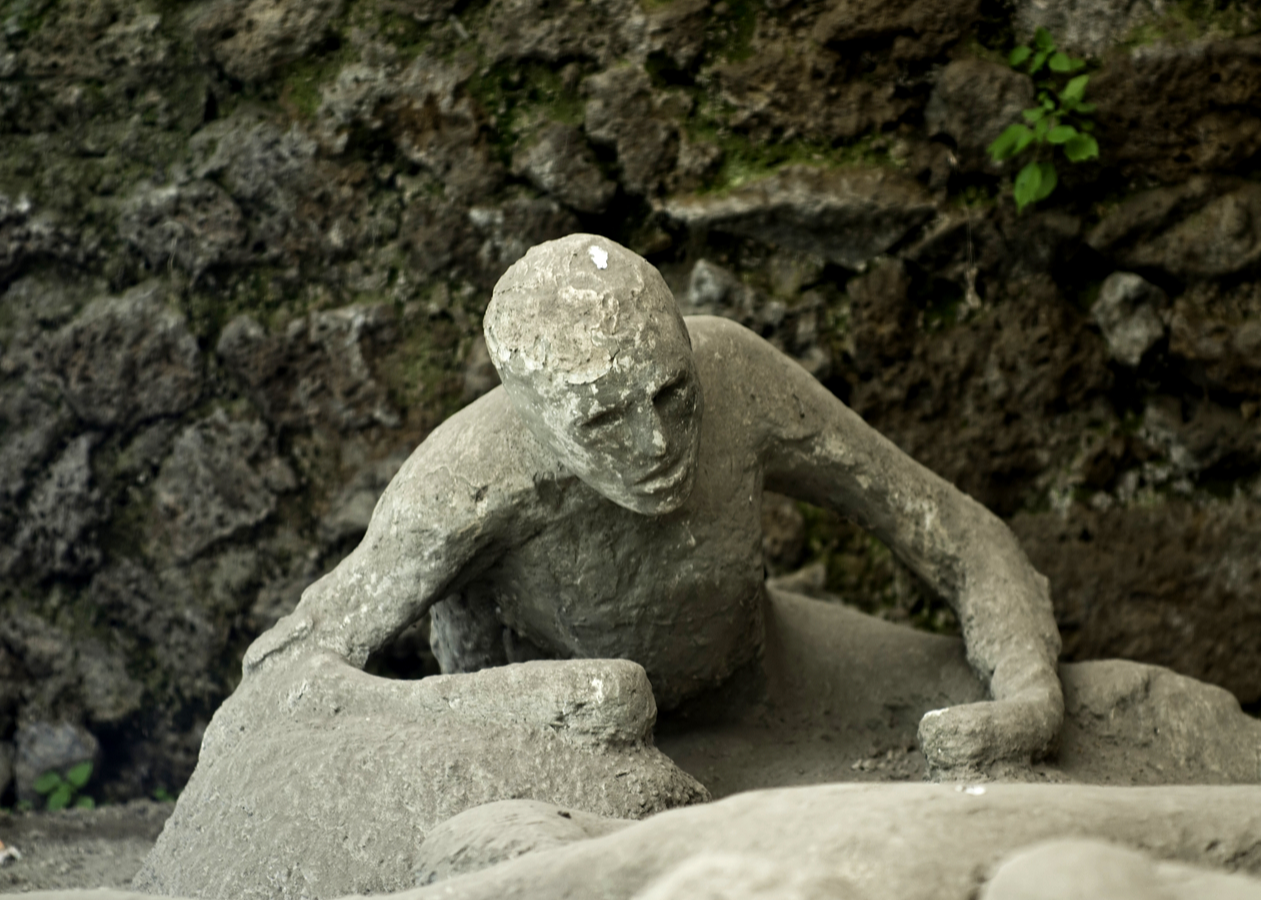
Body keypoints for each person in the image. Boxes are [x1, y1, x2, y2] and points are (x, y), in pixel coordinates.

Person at [242, 233, 1063, 778]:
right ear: (532, 417)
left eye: (673, 393)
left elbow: (949, 524)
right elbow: (287, 673)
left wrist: (1029, 689)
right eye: (604, 420)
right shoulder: (465, 481)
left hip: (765, 687)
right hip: (551, 769)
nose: (657, 442)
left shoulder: (734, 373)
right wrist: (526, 704)